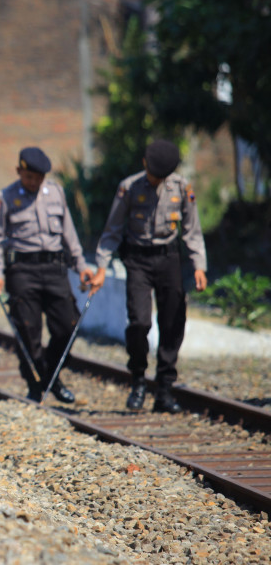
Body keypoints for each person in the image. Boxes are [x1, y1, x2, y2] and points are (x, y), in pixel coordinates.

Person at [90, 139, 207, 412]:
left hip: (169, 260)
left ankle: (164, 390)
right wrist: (100, 269)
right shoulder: (128, 188)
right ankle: (139, 380)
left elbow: (192, 230)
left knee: (172, 322)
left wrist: (199, 266)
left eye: (162, 177)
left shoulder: (181, 187)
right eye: (154, 175)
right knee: (139, 323)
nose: (157, 181)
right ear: (144, 164)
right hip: (138, 261)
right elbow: (112, 231)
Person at [0, 147, 93, 403]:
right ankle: (36, 386)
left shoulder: (55, 193)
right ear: (19, 171)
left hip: (55, 269)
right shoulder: (5, 198)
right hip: (22, 271)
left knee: (69, 325)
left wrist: (81, 266)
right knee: (28, 331)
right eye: (28, 176)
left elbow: (69, 234)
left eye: (38, 178)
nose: (33, 182)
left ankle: (49, 377)